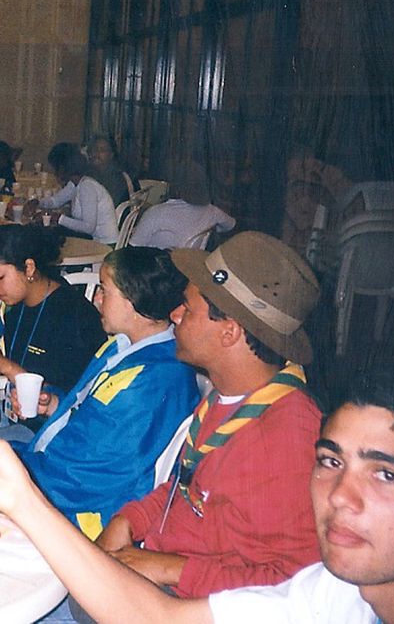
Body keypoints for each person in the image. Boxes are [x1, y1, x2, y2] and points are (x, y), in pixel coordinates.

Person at [0, 373, 394, 623]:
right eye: (331, 462)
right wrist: (21, 499)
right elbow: (157, 617)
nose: (340, 498)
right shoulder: (336, 594)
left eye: (387, 476)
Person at [95, 232, 324, 597]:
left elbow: (293, 584)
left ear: (229, 332)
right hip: (159, 565)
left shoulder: (288, 439)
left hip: (197, 603)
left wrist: (170, 568)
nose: (174, 314)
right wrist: (129, 520)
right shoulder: (228, 394)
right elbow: (187, 488)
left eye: (187, 308)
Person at [15, 247, 199, 538]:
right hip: (55, 469)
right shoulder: (123, 345)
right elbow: (94, 418)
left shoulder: (154, 381)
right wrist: (54, 404)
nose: (96, 299)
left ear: (133, 300)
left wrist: (17, 472)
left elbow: (91, 477)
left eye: (104, 290)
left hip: (77, 513)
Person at [0, 224, 105, 438]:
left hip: (51, 434)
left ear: (29, 268)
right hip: (13, 416)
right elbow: (7, 364)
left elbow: (75, 402)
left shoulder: (73, 315)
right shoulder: (13, 307)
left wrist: (4, 365)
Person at [28, 142, 118, 243]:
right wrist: (38, 202)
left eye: (56, 168)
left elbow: (89, 227)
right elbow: (55, 201)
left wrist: (58, 218)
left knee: (49, 237)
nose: (55, 173)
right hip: (91, 238)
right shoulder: (75, 183)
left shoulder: (87, 187)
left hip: (103, 243)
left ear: (62, 168)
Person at [129, 164, 236, 249]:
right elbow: (231, 225)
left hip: (158, 266)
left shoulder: (157, 213)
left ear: (174, 185)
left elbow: (134, 246)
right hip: (190, 265)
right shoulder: (213, 211)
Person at [86, 132, 134, 206]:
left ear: (111, 155)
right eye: (95, 149)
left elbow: (110, 205)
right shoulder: (88, 173)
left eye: (102, 150)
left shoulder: (117, 177)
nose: (97, 153)